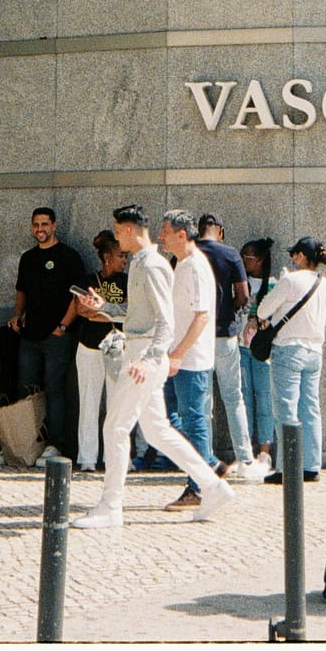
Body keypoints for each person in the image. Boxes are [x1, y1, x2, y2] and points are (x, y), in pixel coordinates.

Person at [69, 206, 236, 530]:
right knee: (158, 431)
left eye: (118, 231)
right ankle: (213, 486)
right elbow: (139, 315)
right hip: (143, 353)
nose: (116, 238)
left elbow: (165, 321)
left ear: (129, 230)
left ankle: (111, 506)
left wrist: (149, 359)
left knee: (115, 428)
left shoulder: (152, 265)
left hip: (144, 356)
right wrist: (105, 308)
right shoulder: (143, 263)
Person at [158, 209, 227, 510]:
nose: (160, 237)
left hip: (190, 360)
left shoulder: (195, 267)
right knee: (167, 419)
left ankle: (197, 488)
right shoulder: (183, 264)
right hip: (178, 357)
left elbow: (202, 316)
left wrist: (178, 354)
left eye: (165, 231)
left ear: (181, 234)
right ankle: (208, 463)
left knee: (194, 420)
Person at [10, 206, 89, 461]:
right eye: (36, 224)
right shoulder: (28, 258)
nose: (40, 229)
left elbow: (78, 296)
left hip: (57, 336)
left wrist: (62, 327)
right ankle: (26, 445)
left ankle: (55, 445)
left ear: (54, 225)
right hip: (29, 336)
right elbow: (21, 291)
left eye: (44, 224)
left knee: (55, 390)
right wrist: (17, 315)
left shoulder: (69, 257)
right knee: (26, 389)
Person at [256, 236, 326, 483]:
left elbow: (263, 310)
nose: (292, 258)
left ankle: (287, 468)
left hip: (288, 348)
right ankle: (311, 465)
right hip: (315, 351)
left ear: (301, 256)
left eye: (294, 254)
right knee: (310, 408)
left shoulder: (290, 280)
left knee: (286, 408)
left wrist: (280, 284)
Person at [197, 213, 262, 481]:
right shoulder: (231, 254)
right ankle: (245, 459)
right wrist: (231, 311)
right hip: (224, 334)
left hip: (196, 337)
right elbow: (243, 295)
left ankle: (205, 459)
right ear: (220, 231)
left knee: (203, 402)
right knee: (234, 398)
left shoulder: (188, 252)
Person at [67, 230, 129, 473]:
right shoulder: (88, 280)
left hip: (117, 348)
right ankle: (87, 458)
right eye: (120, 256)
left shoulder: (128, 281)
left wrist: (100, 312)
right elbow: (81, 311)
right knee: (89, 403)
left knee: (118, 405)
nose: (124, 260)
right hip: (89, 347)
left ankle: (116, 457)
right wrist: (111, 312)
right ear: (106, 257)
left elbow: (130, 311)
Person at [234, 237, 277, 481]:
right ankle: (245, 450)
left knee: (264, 396)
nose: (242, 261)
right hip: (240, 346)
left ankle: (265, 450)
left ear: (259, 260)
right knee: (243, 397)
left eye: (247, 257)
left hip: (262, 348)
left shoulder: (273, 284)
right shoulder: (239, 282)